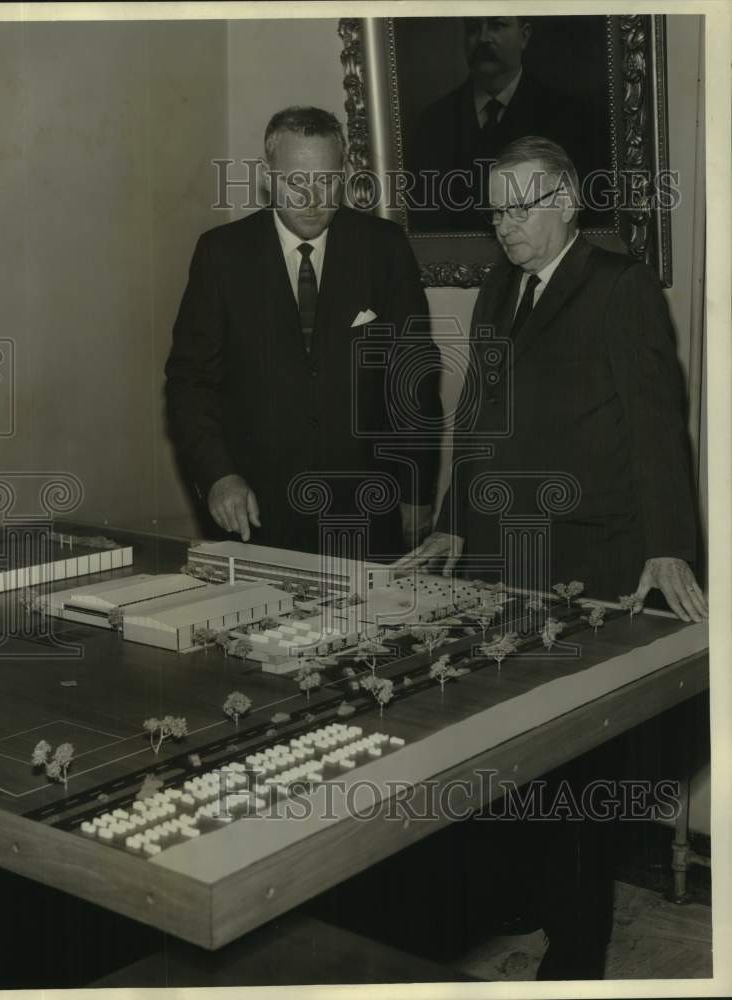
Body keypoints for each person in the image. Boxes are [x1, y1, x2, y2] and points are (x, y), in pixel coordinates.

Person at [395, 136, 707, 978]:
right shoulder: (498, 287)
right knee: (512, 759)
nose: (504, 225)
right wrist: (455, 519)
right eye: (494, 208)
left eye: (520, 206)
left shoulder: (620, 286)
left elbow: (655, 428)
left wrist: (671, 546)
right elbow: (480, 418)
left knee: (573, 777)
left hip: (589, 564)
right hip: (501, 561)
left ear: (567, 201)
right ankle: (521, 907)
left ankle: (575, 963)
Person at [165, 106, 441, 558]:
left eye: (327, 179)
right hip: (256, 513)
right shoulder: (221, 255)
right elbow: (190, 382)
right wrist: (218, 475)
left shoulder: (384, 248)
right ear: (269, 177)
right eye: (297, 180)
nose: (313, 197)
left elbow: (414, 380)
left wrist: (416, 490)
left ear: (345, 176)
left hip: (368, 513)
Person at [408, 16, 606, 231]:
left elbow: (588, 215)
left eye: (497, 25)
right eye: (473, 28)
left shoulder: (570, 117)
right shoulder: (434, 121)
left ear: (524, 36)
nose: (483, 38)